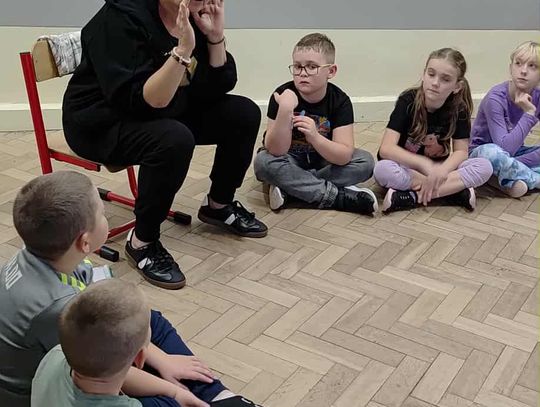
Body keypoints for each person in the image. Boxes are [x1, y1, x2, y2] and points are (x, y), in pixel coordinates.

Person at [0, 172, 254, 407]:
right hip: (49, 393)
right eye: (102, 214)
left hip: (72, 360)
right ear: (84, 241)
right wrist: (170, 388)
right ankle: (215, 396)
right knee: (166, 390)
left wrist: (162, 360)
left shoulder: (42, 252)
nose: (106, 218)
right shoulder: (54, 306)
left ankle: (211, 393)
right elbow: (100, 371)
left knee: (145, 318)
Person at [62, 0, 267, 290]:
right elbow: (143, 101)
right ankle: (142, 241)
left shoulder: (191, 16)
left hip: (163, 107)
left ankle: (219, 205)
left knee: (243, 114)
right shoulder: (120, 18)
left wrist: (214, 37)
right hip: (101, 122)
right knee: (173, 139)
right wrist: (183, 51)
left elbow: (215, 87)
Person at [253, 33, 377, 214]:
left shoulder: (340, 101)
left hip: (324, 160)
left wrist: (315, 137)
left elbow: (343, 155)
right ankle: (337, 197)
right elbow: (275, 150)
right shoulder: (282, 95)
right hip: (288, 158)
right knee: (263, 162)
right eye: (297, 66)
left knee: (365, 162)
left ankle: (292, 189)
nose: (303, 73)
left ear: (331, 71)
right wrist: (285, 110)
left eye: (312, 67)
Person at [373, 48, 493, 212]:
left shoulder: (459, 108)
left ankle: (411, 197)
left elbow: (461, 152)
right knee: (382, 170)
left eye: (445, 79)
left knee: (485, 166)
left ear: (457, 86)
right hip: (407, 168)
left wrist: (443, 170)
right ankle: (453, 192)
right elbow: (386, 149)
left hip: (440, 170)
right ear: (424, 75)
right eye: (431, 74)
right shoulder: (407, 101)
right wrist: (424, 164)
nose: (435, 83)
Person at [469, 41, 540, 197]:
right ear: (510, 68)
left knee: (506, 160)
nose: (523, 71)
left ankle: (506, 176)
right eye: (518, 63)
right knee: (493, 154)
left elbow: (511, 152)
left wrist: (514, 162)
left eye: (532, 66)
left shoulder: (538, 96)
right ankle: (533, 179)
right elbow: (504, 148)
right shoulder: (495, 98)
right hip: (483, 153)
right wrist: (529, 114)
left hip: (515, 154)